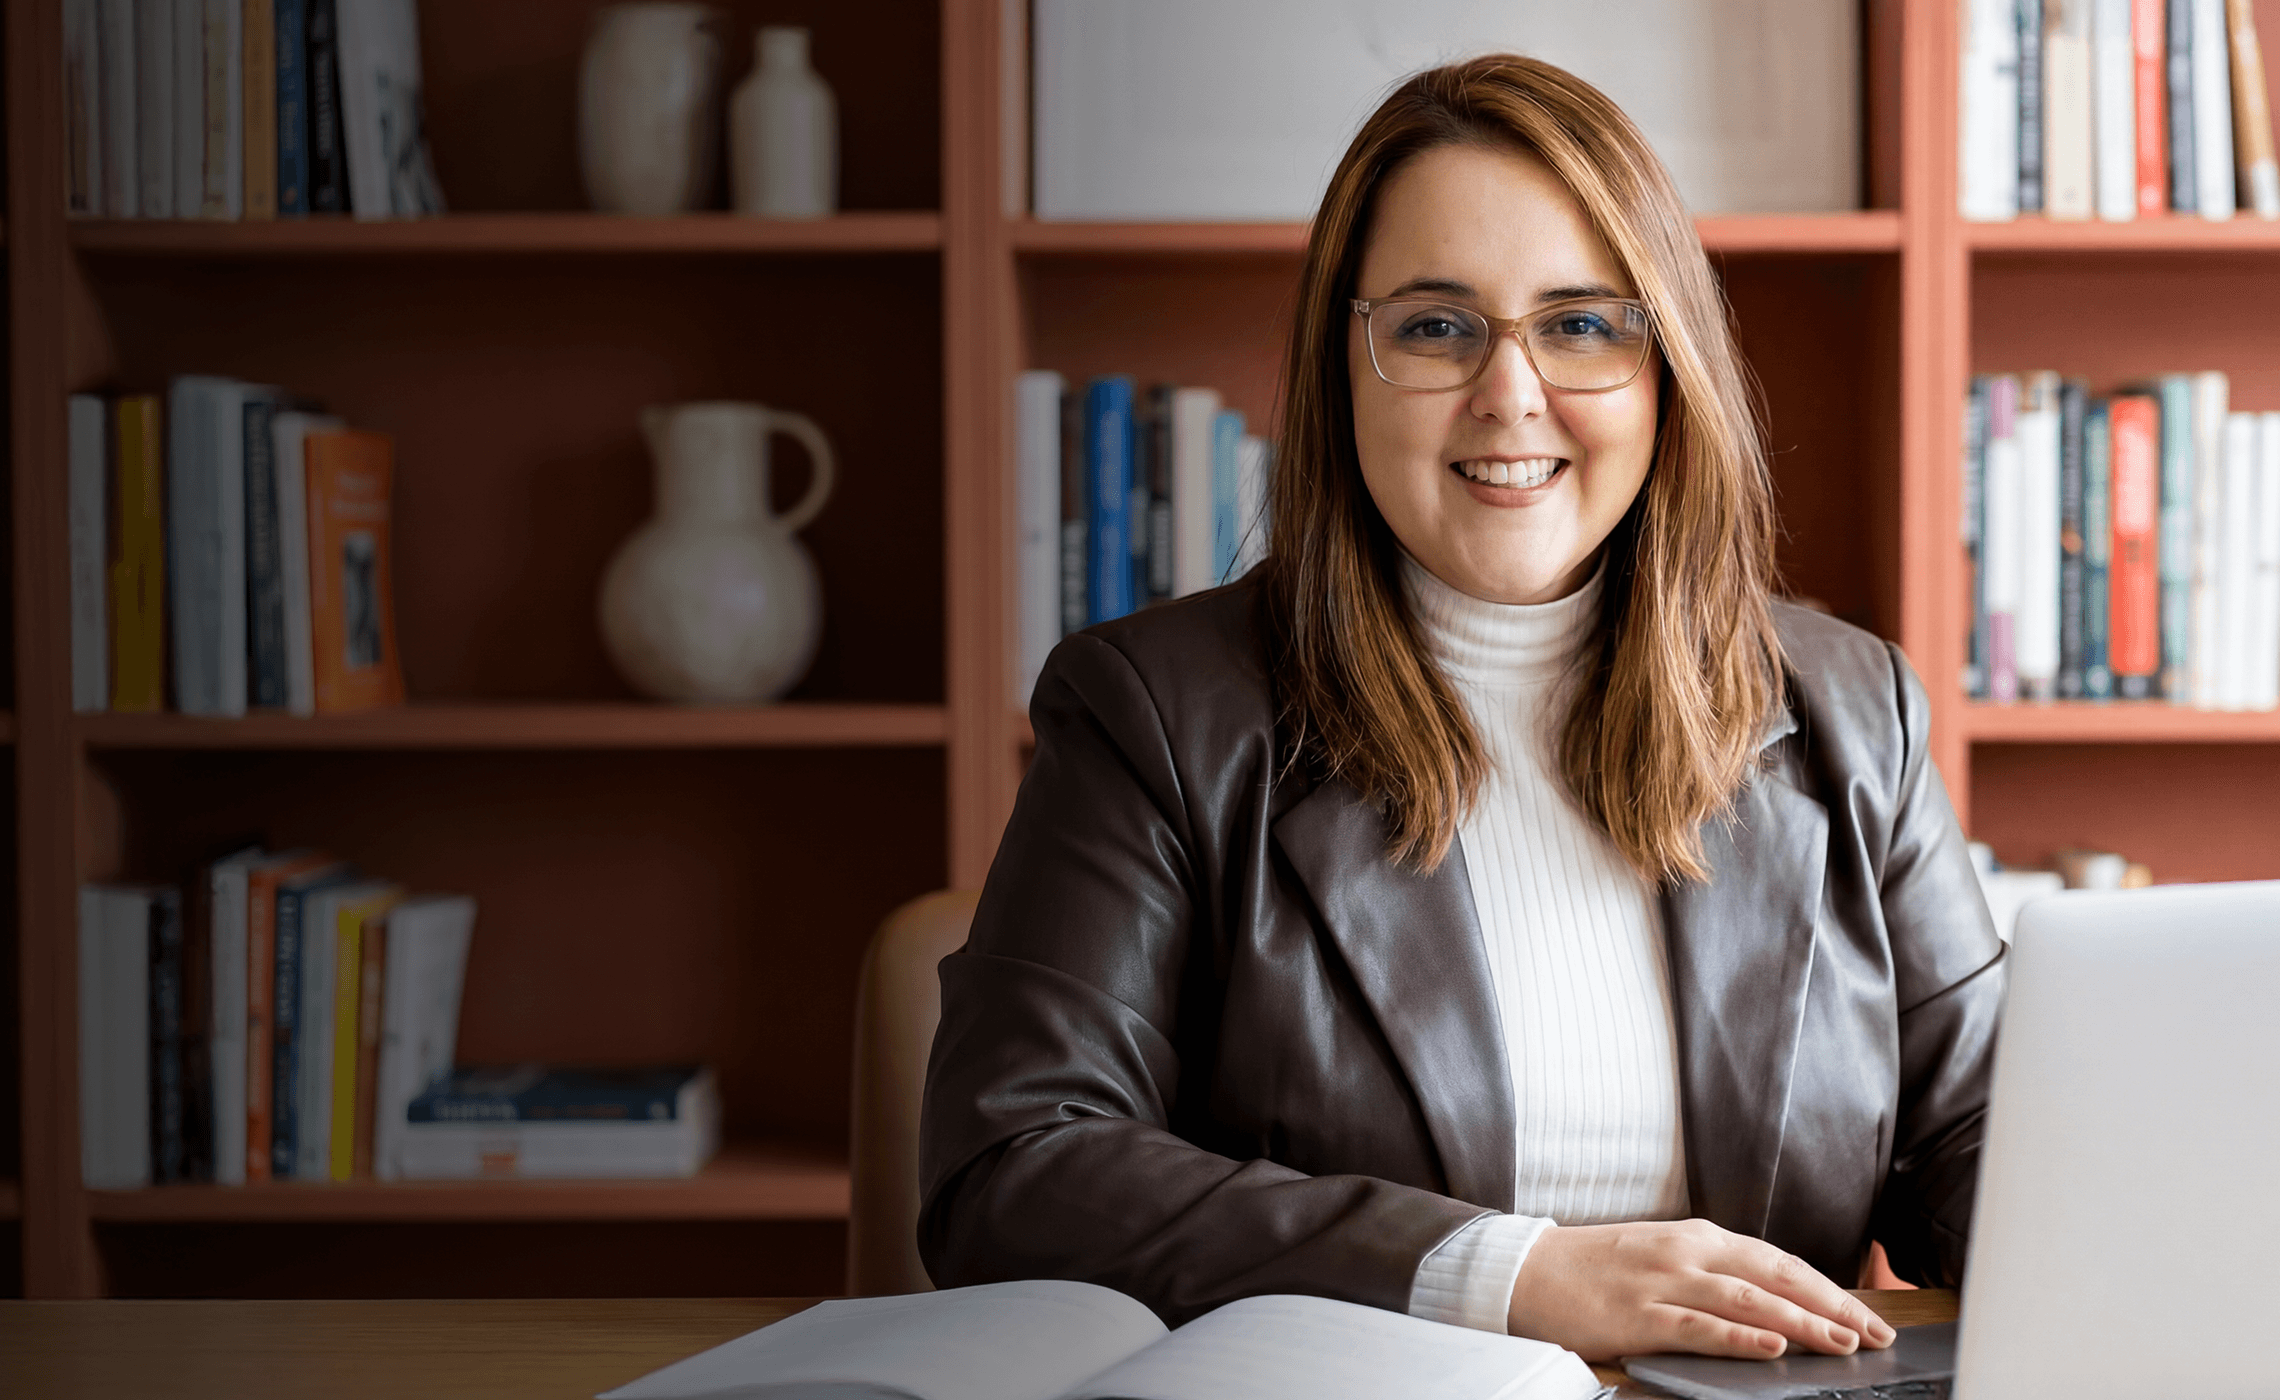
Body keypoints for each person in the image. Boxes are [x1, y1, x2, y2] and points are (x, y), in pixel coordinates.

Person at [918, 54, 2002, 1364]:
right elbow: (1014, 1172)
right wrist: (1508, 1274)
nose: (1510, 392)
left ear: (1669, 372)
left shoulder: (1851, 710)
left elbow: (1980, 1150)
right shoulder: (1157, 715)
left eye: (1581, 323)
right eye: (1436, 327)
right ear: (1346, 368)